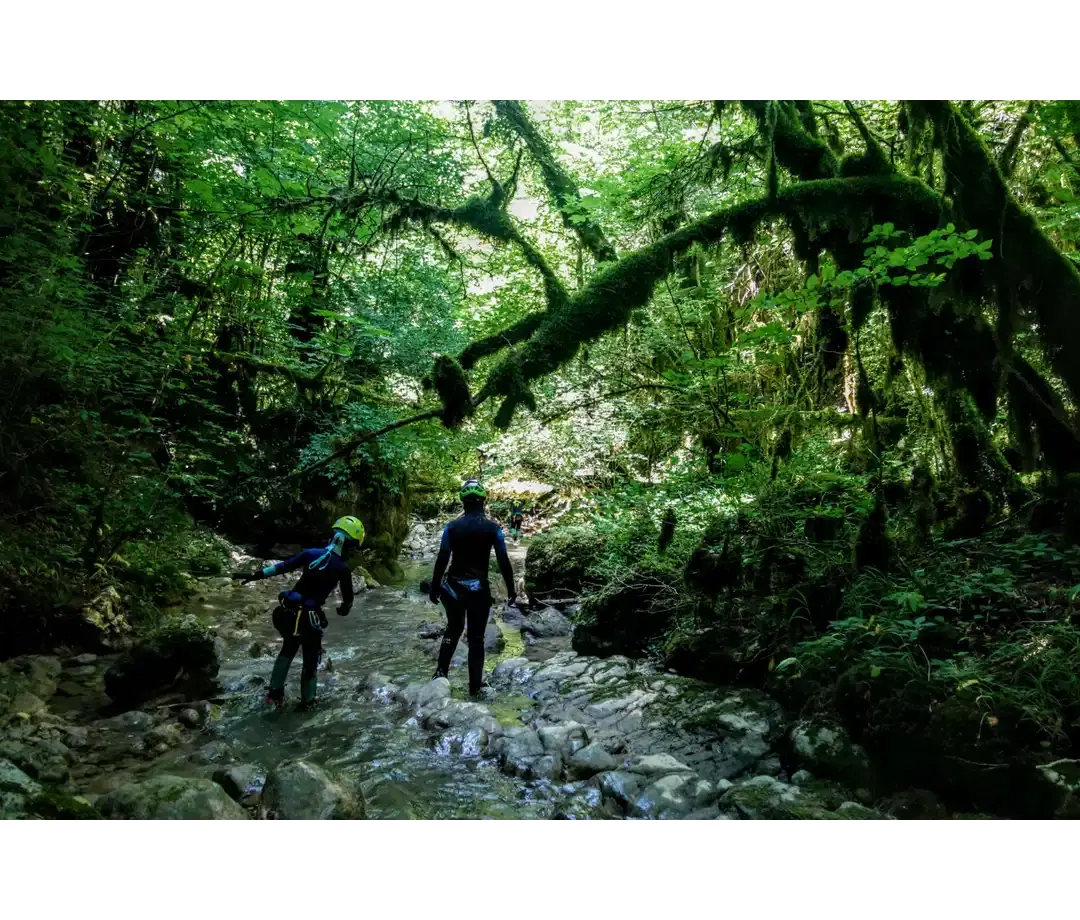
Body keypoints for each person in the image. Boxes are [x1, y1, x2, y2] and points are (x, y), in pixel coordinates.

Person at [231, 516, 365, 710]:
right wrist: (343, 609)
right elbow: (348, 601)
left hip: (288, 613)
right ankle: (307, 702)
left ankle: (274, 695)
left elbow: (282, 567)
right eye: (354, 548)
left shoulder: (311, 553)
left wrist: (254, 576)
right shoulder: (342, 569)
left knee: (288, 648)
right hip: (309, 620)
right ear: (349, 545)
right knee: (310, 661)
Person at [429, 479, 517, 697]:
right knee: (476, 639)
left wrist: (435, 586)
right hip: (479, 590)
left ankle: (440, 673)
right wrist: (511, 588)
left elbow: (443, 557)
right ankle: (475, 687)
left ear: (463, 502)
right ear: (483, 501)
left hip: (453, 588)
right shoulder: (493, 529)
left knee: (453, 628)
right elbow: (503, 560)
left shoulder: (451, 527)